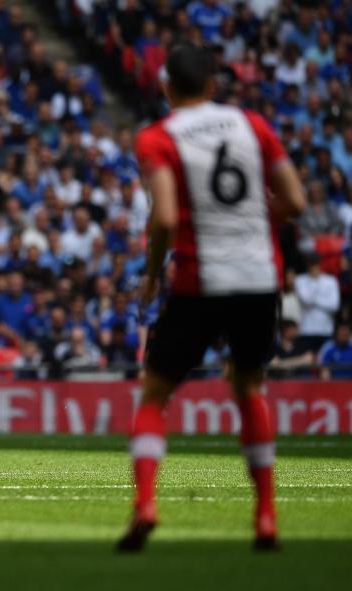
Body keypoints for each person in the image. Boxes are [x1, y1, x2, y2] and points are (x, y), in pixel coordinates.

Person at [118, 44, 306, 552]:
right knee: (249, 387)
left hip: (200, 279)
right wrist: (248, 223)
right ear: (213, 85)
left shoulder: (158, 137)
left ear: (165, 87)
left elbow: (165, 217)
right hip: (259, 276)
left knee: (156, 391)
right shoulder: (253, 125)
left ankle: (146, 504)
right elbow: (295, 200)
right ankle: (266, 516)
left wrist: (154, 274)